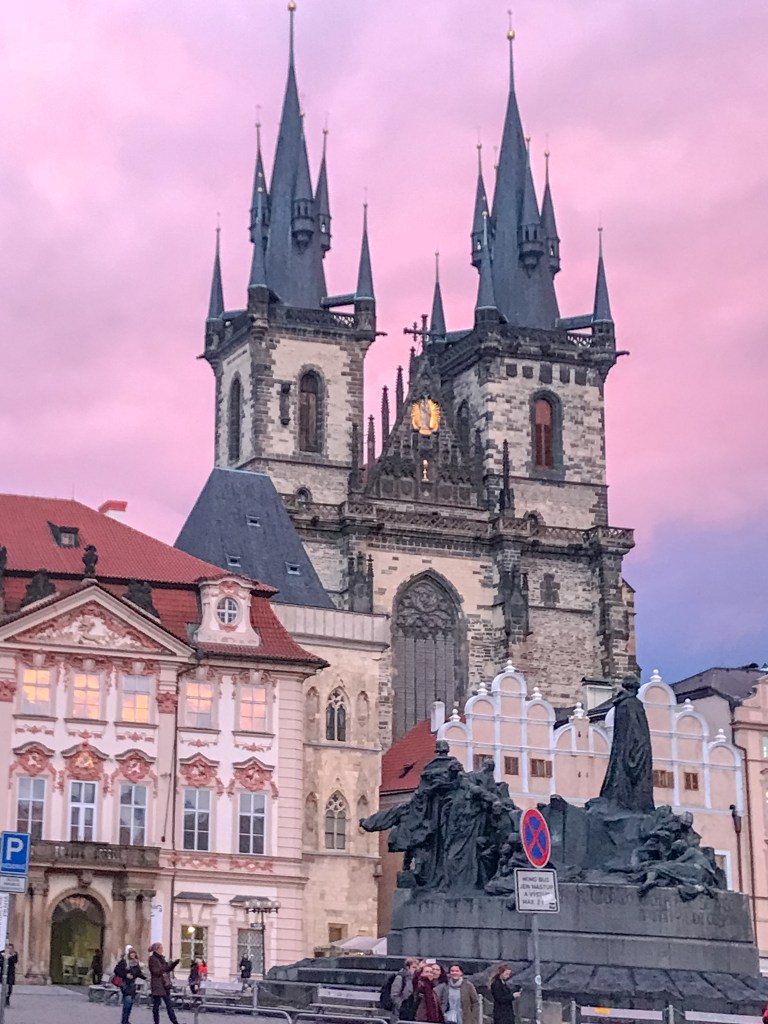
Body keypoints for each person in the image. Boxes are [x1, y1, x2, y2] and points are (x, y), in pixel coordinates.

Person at [148, 943, 180, 1024]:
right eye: (161, 948)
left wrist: (173, 964)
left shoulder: (162, 958)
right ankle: (156, 1022)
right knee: (156, 1006)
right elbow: (156, 971)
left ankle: (175, 1022)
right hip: (157, 985)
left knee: (169, 1005)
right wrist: (165, 967)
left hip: (165, 985)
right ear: (157, 949)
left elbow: (167, 969)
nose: (162, 950)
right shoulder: (152, 959)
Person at [114, 946, 146, 1024]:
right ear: (128, 954)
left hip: (132, 985)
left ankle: (126, 1019)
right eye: (131, 954)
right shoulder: (124, 962)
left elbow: (138, 973)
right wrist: (125, 975)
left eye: (134, 954)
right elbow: (116, 970)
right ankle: (124, 1020)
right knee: (127, 1002)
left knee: (130, 1003)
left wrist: (146, 977)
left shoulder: (136, 963)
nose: (132, 955)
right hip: (125, 984)